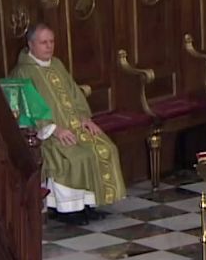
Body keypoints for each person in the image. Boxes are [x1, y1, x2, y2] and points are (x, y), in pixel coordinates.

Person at [11, 24, 125, 223]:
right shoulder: (23, 73)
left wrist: (84, 118)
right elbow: (27, 107)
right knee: (77, 156)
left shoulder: (56, 64)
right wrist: (54, 129)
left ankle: (87, 204)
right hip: (46, 133)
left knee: (106, 148)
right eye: (43, 42)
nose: (49, 47)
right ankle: (68, 209)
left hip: (74, 126)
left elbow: (74, 94)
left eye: (52, 42)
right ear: (30, 44)